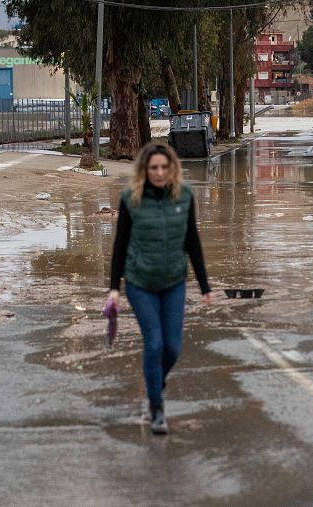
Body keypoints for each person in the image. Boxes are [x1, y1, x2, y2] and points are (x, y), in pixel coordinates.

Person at [108, 143, 213, 435]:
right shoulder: (131, 199)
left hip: (173, 282)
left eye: (164, 167)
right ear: (145, 170)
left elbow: (192, 241)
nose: (159, 172)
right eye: (153, 168)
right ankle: (157, 408)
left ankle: (156, 381)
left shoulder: (185, 196)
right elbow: (120, 246)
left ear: (172, 169)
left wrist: (205, 286)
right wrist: (114, 288)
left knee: (173, 348)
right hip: (140, 283)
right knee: (154, 343)